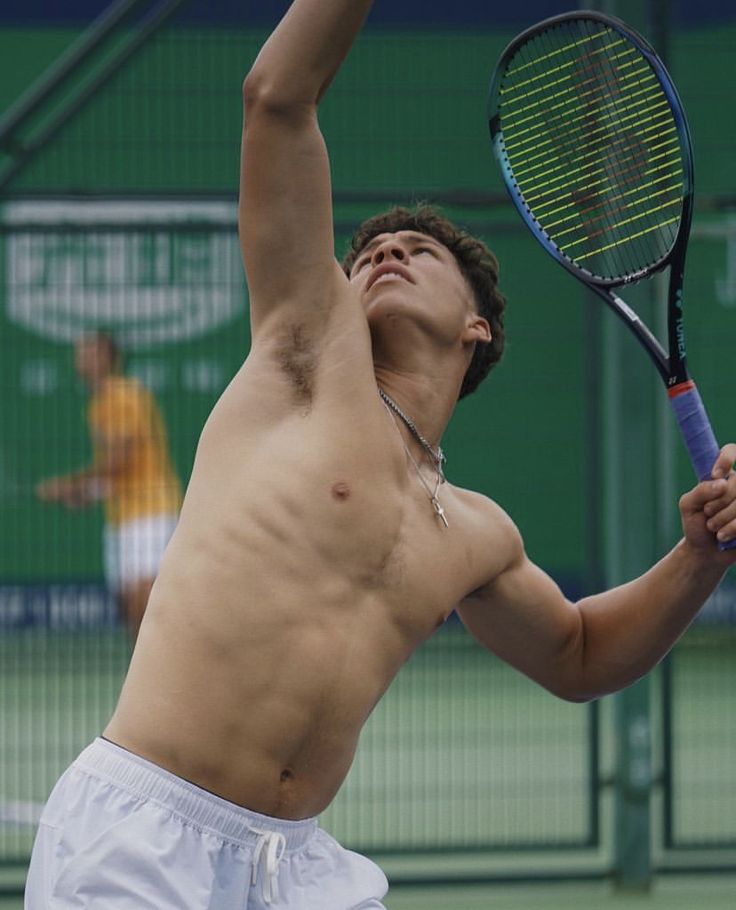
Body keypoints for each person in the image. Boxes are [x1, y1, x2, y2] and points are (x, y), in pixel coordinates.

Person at [24, 2, 736, 908]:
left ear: (476, 326)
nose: (386, 249)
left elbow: (582, 653)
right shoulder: (303, 356)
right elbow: (278, 97)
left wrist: (701, 555)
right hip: (140, 838)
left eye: (421, 249)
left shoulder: (476, 532)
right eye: (367, 251)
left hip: (295, 868)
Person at [35, 331, 182, 642]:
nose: (79, 356)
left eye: (86, 350)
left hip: (150, 512)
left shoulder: (123, 395)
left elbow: (119, 460)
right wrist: (85, 492)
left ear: (105, 356)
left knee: (144, 602)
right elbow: (116, 474)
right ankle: (143, 681)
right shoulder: (98, 404)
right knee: (128, 606)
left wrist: (67, 485)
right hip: (122, 516)